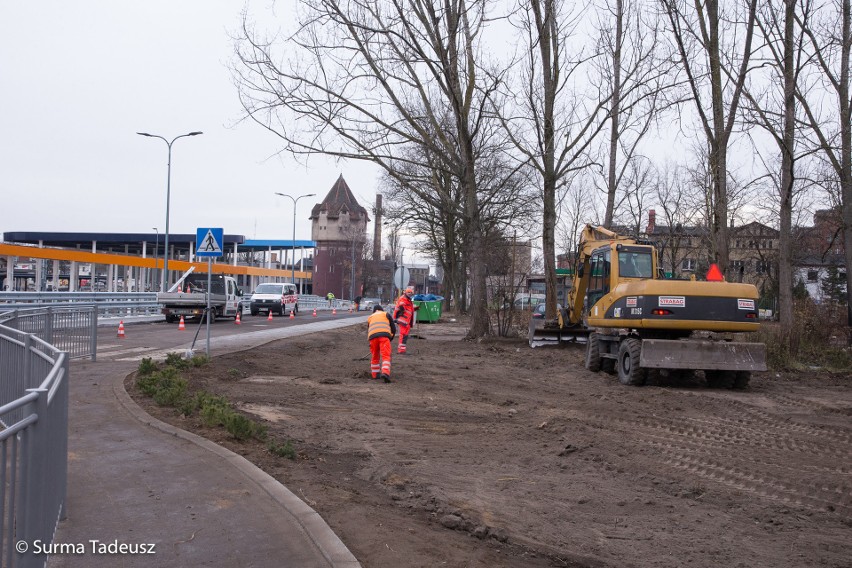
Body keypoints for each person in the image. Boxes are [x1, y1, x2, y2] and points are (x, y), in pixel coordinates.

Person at [367, 304, 396, 383]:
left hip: (372, 337)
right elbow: (393, 329)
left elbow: (370, 330)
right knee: (386, 355)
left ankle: (375, 374)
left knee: (375, 356)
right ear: (381, 310)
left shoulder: (370, 317)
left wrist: (371, 342)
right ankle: (385, 372)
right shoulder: (386, 314)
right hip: (384, 336)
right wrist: (390, 338)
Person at [393, 286, 419, 354]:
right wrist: (402, 309)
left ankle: (402, 350)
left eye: (411, 293)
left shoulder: (408, 299)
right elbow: (401, 306)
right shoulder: (403, 299)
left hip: (406, 321)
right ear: (406, 292)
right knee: (403, 335)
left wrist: (415, 308)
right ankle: (401, 350)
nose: (410, 294)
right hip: (403, 320)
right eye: (409, 293)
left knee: (405, 335)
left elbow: (409, 309)